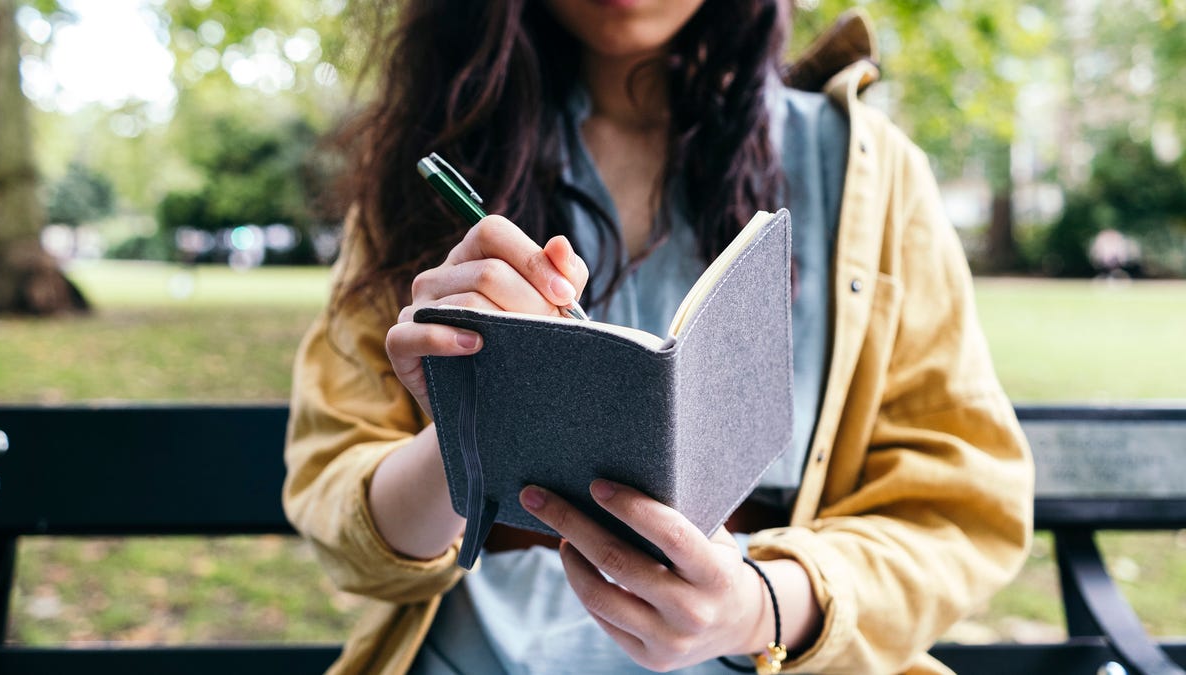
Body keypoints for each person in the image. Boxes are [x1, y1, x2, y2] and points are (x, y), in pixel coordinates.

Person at [283, 1, 1034, 673]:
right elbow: (337, 502)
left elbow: (959, 505)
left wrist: (759, 605)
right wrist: (462, 436)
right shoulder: (420, 169)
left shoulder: (866, 170)